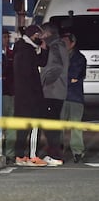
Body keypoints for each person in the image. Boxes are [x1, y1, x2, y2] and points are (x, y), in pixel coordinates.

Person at [13, 24, 49, 166]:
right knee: (35, 125)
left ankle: (20, 156)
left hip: (21, 96)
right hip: (31, 95)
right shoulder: (28, 51)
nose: (40, 40)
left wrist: (42, 50)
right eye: (39, 37)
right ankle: (33, 156)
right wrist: (44, 49)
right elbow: (41, 64)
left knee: (22, 127)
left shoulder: (20, 48)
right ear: (34, 35)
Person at [38, 22, 69, 165]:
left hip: (52, 91)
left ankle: (55, 156)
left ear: (48, 33)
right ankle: (54, 153)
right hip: (56, 91)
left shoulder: (55, 47)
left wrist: (45, 81)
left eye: (42, 33)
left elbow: (56, 67)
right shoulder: (59, 45)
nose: (40, 36)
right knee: (52, 123)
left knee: (50, 124)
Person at [60, 33, 87, 163]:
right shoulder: (59, 56)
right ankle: (58, 151)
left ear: (72, 43)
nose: (63, 44)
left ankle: (77, 152)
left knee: (76, 125)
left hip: (75, 97)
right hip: (61, 96)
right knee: (59, 125)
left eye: (65, 41)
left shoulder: (79, 58)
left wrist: (63, 78)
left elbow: (74, 76)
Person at [1, 29, 16, 165]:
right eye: (3, 37)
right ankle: (0, 151)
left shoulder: (12, 54)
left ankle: (10, 153)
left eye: (7, 37)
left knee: (11, 124)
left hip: (11, 92)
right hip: (0, 93)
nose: (6, 40)